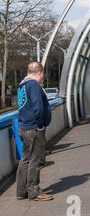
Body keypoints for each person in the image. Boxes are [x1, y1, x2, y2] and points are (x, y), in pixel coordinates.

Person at [16, 62, 53, 201]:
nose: (43, 77)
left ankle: (21, 192)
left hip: (23, 127)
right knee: (35, 161)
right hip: (33, 128)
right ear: (39, 73)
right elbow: (38, 107)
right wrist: (40, 125)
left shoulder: (22, 85)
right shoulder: (34, 85)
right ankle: (34, 191)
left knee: (25, 160)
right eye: (42, 74)